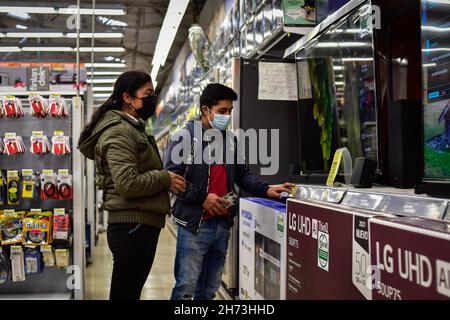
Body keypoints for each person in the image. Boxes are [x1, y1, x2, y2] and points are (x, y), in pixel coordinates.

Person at [164, 83, 293, 300]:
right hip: (195, 226)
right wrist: (203, 197)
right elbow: (172, 179)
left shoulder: (231, 141)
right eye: (222, 111)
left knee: (210, 289)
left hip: (222, 225)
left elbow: (242, 175)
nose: (227, 116)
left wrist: (267, 189)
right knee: (186, 288)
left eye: (230, 112)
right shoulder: (183, 138)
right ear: (206, 110)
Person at [78, 71, 186, 300]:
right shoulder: (119, 131)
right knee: (125, 295)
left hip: (138, 224)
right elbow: (127, 183)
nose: (152, 100)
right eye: (147, 94)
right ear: (128, 97)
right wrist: (164, 178)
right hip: (132, 226)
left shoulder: (132, 128)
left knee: (129, 293)